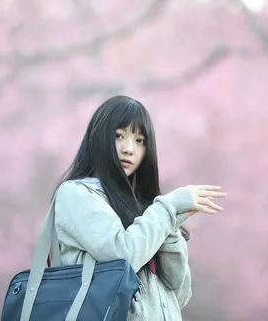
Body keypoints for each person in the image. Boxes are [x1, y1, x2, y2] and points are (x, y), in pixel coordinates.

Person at [52, 95, 225, 321]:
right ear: (98, 138)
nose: (129, 149)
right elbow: (123, 255)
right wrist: (167, 208)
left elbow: (179, 294)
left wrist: (170, 225)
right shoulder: (76, 194)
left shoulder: (147, 208)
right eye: (118, 136)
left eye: (140, 140)